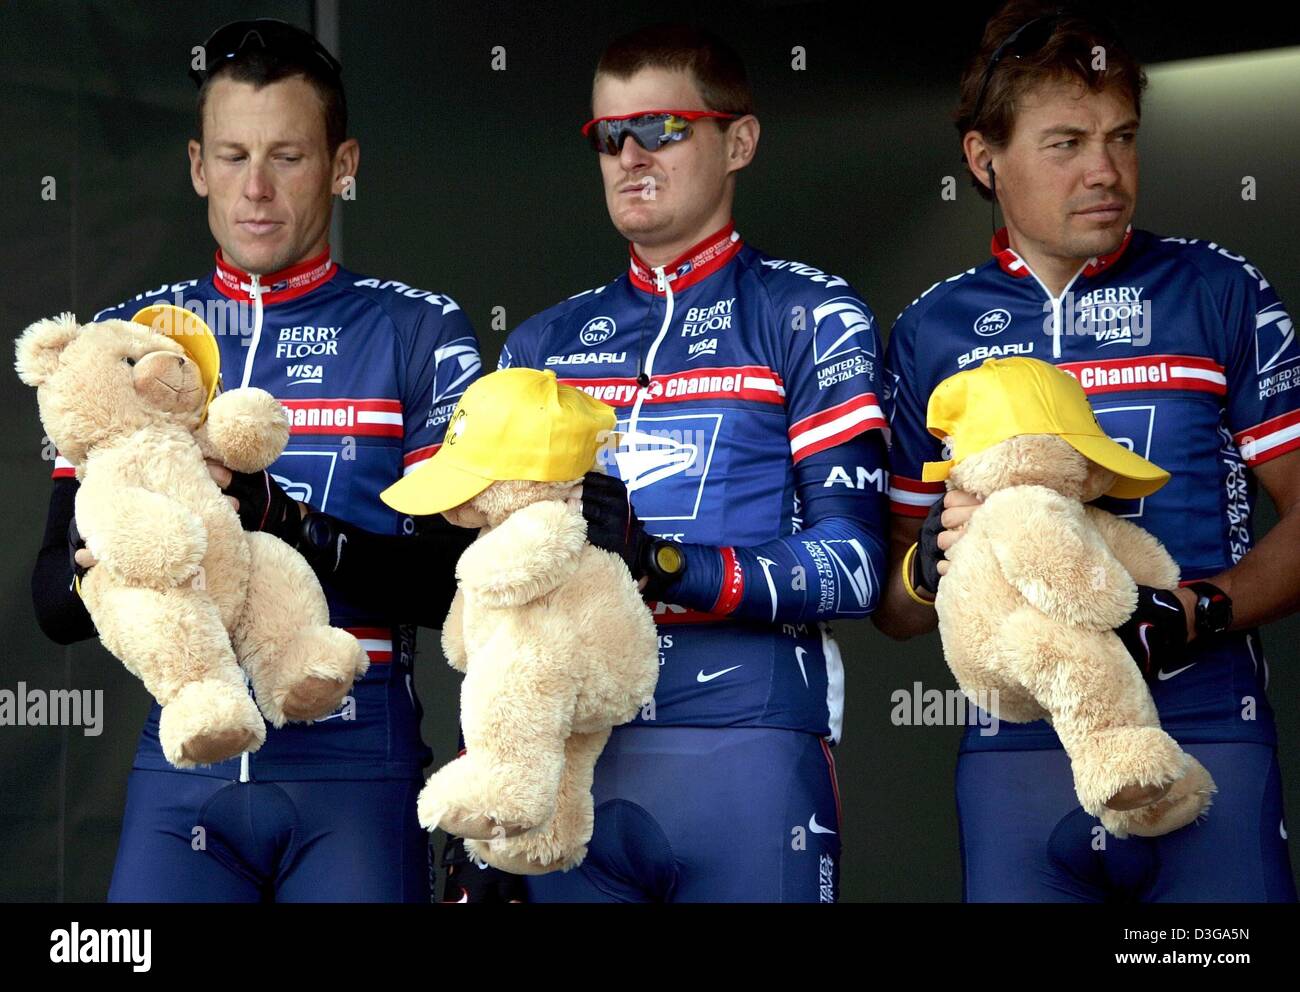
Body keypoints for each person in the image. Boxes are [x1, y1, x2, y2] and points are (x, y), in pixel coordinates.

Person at [30, 18, 486, 902]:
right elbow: (51, 596)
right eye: (233, 156)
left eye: (288, 156)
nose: (258, 190)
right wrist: (111, 564)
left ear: (342, 165)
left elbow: (455, 584)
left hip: (357, 766)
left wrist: (281, 520)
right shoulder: (132, 339)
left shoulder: (418, 329)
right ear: (198, 166)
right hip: (185, 764)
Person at [875, 1, 1298, 901]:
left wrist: (1194, 613)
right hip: (1014, 747)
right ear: (985, 161)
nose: (1105, 171)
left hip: (1206, 725)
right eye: (1066, 143)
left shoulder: (1217, 290)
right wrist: (932, 560)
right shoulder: (931, 330)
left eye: (1122, 137)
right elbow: (896, 608)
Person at [496, 24, 890, 902]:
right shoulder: (542, 343)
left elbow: (858, 566)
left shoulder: (808, 314)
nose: (630, 154)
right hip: (573, 758)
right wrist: (490, 801)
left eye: (663, 128)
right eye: (609, 136)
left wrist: (665, 562)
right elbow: (491, 594)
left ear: (738, 141)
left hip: (746, 745)